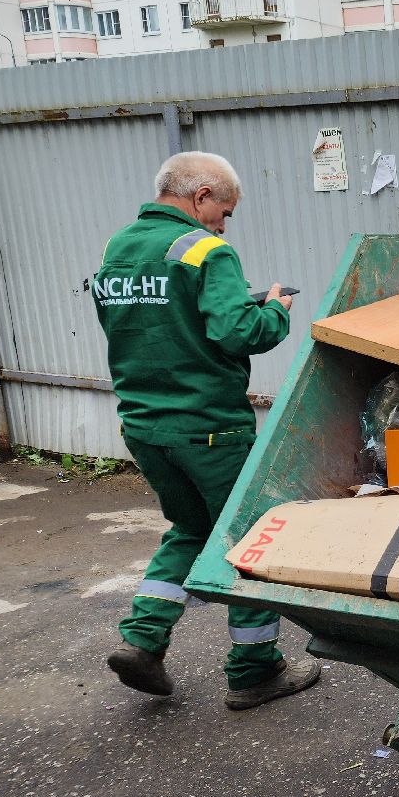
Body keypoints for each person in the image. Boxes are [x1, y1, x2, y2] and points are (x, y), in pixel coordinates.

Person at [95, 151, 321, 709]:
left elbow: (148, 321)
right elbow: (237, 332)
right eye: (225, 209)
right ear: (200, 197)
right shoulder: (208, 250)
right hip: (211, 431)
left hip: (145, 428)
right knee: (249, 537)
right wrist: (276, 310)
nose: (225, 222)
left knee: (191, 528)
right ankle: (255, 668)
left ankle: (143, 640)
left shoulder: (119, 247)